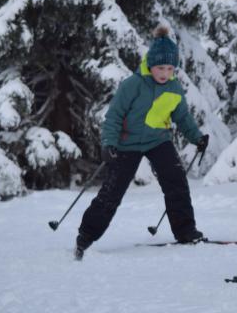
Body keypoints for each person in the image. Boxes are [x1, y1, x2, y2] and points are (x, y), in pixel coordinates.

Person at [75, 26, 209, 258]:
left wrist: (197, 137)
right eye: (160, 68)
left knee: (176, 181)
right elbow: (114, 116)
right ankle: (86, 236)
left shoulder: (174, 88)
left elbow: (182, 117)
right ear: (150, 64)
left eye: (170, 68)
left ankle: (186, 231)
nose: (165, 73)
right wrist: (108, 143)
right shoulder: (133, 85)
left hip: (158, 140)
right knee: (112, 191)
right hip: (127, 144)